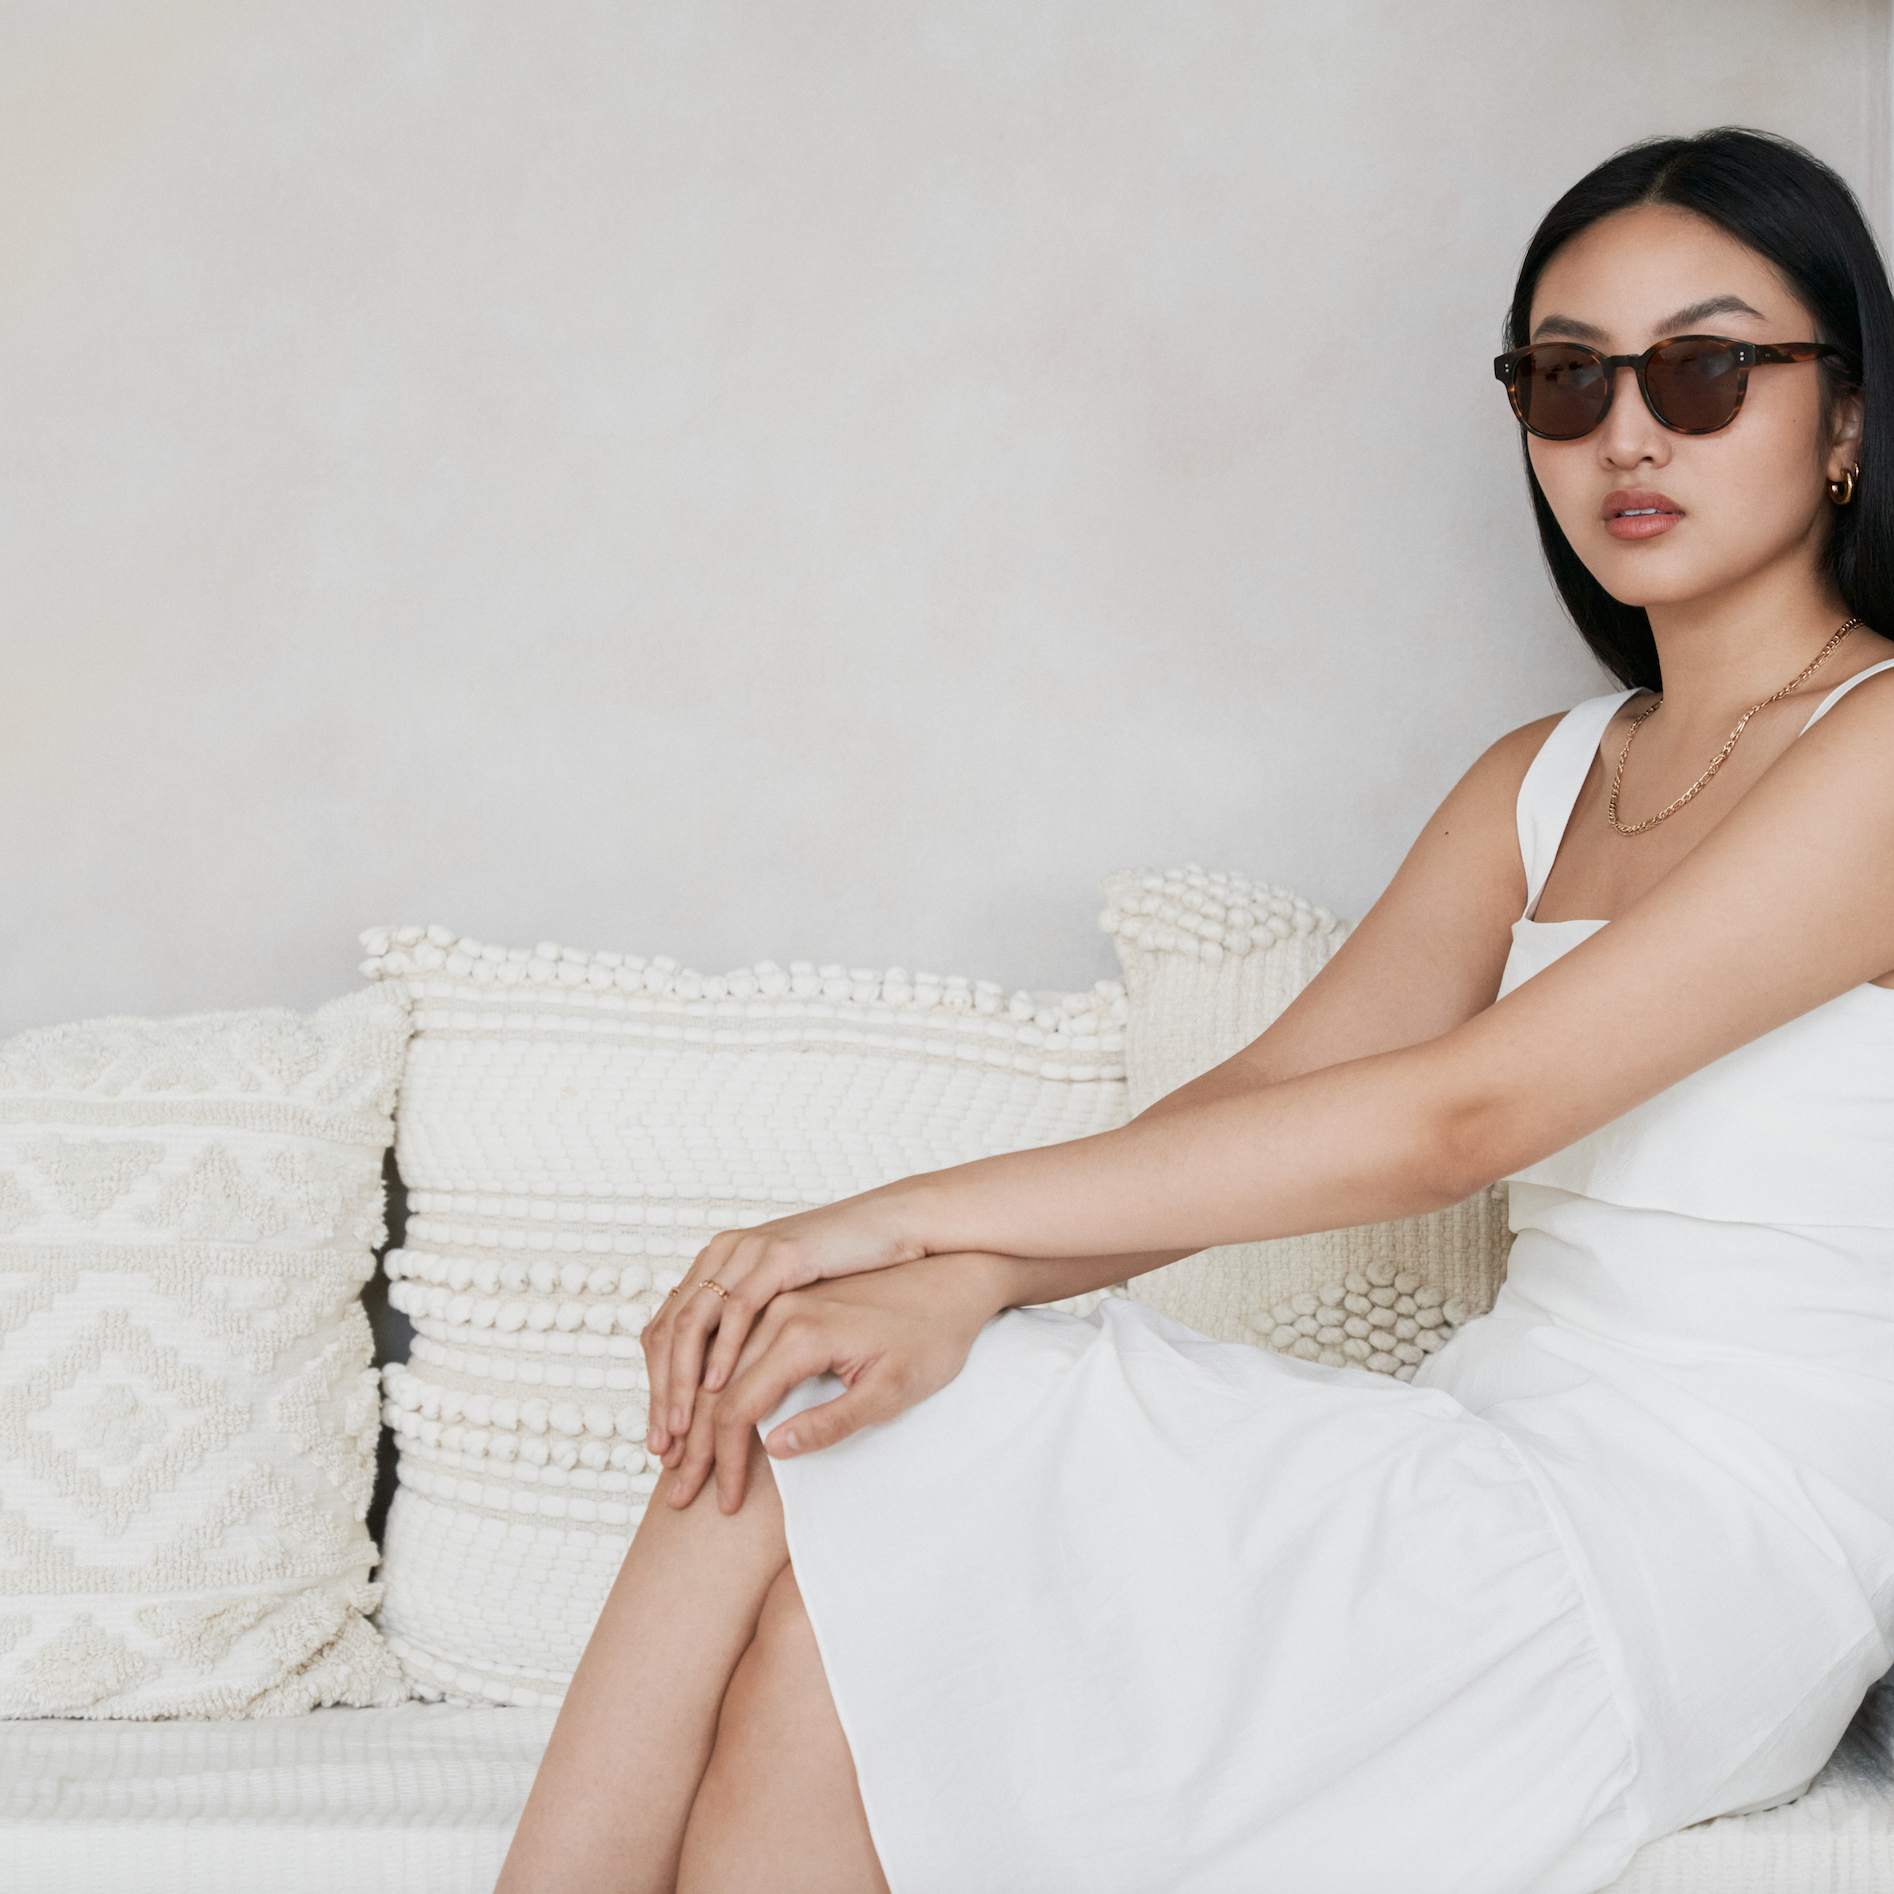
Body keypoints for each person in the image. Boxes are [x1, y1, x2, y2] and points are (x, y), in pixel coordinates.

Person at [495, 127, 1894, 1894]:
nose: (1625, 432)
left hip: (1698, 1551)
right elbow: (1258, 1101)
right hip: (1490, 1446)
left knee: (846, 1407)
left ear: (1844, 417)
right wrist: (952, 1279)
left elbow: (1454, 1120)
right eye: (1563, 379)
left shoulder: (1883, 749)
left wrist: (893, 1215)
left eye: (1702, 371)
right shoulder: (1537, 779)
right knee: (837, 1570)